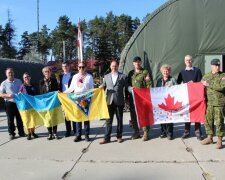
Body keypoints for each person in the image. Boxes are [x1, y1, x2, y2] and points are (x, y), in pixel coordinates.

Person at [64, 62, 94, 142]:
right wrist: (63, 93)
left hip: (86, 100)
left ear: (85, 68)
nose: (81, 69)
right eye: (80, 67)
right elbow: (71, 88)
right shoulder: (74, 77)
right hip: (76, 100)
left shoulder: (89, 77)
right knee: (78, 118)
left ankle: (87, 135)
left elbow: (92, 89)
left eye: (83, 67)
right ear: (77, 68)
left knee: (86, 118)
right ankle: (78, 135)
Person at [99, 60, 128, 144]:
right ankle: (106, 138)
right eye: (112, 66)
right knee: (108, 121)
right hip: (109, 101)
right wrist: (100, 87)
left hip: (119, 101)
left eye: (115, 66)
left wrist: (131, 90)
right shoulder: (106, 76)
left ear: (117, 66)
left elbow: (126, 87)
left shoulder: (123, 76)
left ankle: (119, 137)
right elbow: (104, 86)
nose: (114, 67)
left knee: (119, 120)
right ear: (110, 67)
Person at [177, 55, 203, 140]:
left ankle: (198, 132)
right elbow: (177, 84)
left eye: (190, 60)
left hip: (196, 96)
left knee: (197, 113)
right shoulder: (181, 72)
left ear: (192, 61)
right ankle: (186, 132)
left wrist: (194, 84)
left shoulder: (197, 70)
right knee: (186, 114)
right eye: (187, 60)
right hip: (186, 96)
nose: (188, 61)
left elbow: (200, 83)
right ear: (184, 62)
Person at [201, 59, 225, 149]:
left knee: (219, 122)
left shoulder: (223, 76)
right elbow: (200, 86)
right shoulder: (206, 76)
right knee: (208, 121)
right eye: (215, 65)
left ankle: (219, 140)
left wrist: (208, 84)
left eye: (218, 65)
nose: (217, 67)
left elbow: (222, 87)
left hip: (219, 103)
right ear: (211, 66)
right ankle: (209, 138)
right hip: (209, 103)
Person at [128, 56, 152, 141]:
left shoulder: (145, 72)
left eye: (138, 62)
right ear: (133, 63)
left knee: (143, 115)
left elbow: (149, 84)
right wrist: (129, 89)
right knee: (133, 115)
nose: (137, 63)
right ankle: (136, 132)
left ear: (140, 63)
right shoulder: (130, 73)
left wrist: (147, 96)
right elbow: (128, 84)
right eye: (135, 62)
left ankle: (146, 133)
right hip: (132, 98)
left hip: (142, 98)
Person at [0, 68, 26, 140]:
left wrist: (22, 92)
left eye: (11, 72)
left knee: (20, 118)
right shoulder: (3, 83)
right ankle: (11, 134)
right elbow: (1, 94)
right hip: (9, 103)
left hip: (19, 103)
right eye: (9, 73)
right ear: (6, 74)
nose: (10, 74)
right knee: (10, 120)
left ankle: (21, 132)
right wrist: (8, 95)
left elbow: (22, 89)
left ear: (13, 73)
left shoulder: (19, 81)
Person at [156, 64, 177, 140]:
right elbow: (156, 90)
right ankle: (163, 132)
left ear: (169, 71)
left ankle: (170, 133)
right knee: (161, 117)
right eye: (164, 71)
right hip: (161, 102)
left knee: (169, 118)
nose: (165, 72)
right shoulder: (159, 80)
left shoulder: (173, 80)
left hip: (169, 102)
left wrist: (171, 88)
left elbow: (177, 89)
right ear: (162, 71)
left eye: (167, 71)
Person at [39, 66, 59, 140]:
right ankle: (50, 133)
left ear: (50, 72)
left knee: (54, 117)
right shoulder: (41, 82)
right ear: (43, 73)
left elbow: (56, 90)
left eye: (48, 71)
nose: (47, 73)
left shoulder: (54, 80)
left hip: (53, 102)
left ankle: (55, 133)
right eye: (45, 72)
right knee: (48, 118)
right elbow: (41, 93)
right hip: (46, 103)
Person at [59, 61, 76, 137]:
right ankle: (68, 131)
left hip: (72, 96)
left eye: (66, 66)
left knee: (74, 113)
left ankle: (76, 130)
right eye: (63, 66)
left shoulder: (73, 75)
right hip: (64, 97)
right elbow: (60, 86)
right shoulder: (60, 76)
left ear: (69, 67)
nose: (65, 68)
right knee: (66, 115)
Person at [19, 72, 38, 140]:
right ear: (23, 79)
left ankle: (33, 132)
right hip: (26, 106)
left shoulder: (33, 85)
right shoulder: (22, 86)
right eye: (25, 77)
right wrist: (19, 94)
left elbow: (36, 94)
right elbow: (19, 94)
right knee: (27, 120)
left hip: (33, 105)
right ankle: (29, 133)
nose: (26, 78)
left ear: (30, 77)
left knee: (33, 119)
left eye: (27, 77)